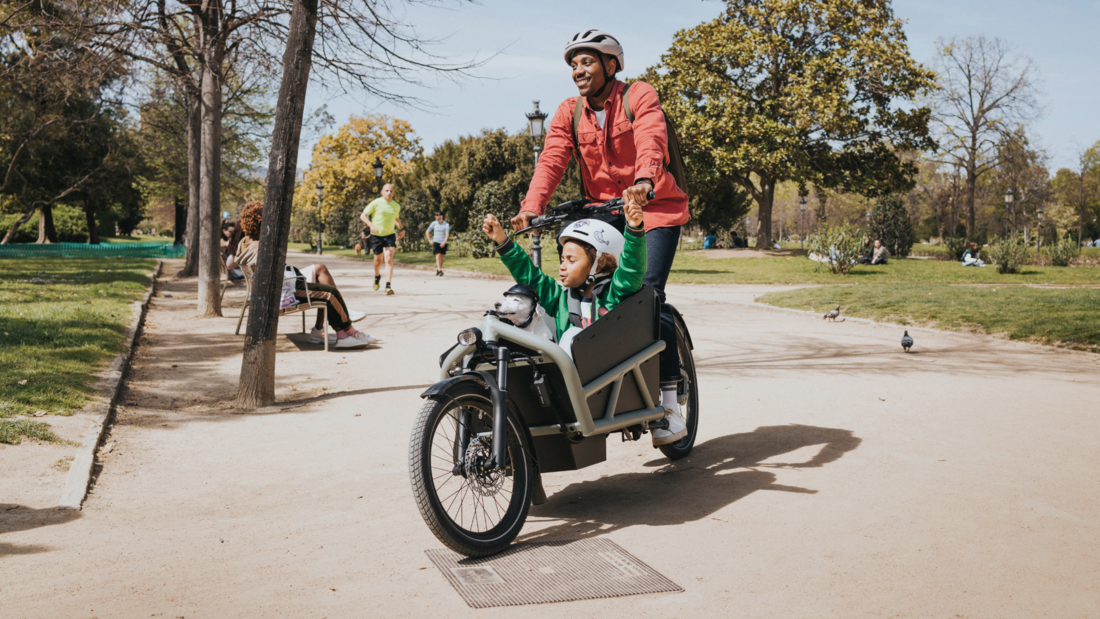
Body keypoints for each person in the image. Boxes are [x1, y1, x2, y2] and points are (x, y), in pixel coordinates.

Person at [509, 30, 689, 445]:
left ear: (610, 65)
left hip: (654, 206)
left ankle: (667, 404)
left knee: (646, 294)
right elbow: (552, 159)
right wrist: (531, 206)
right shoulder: (569, 112)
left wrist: (644, 180)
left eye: (586, 62)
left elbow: (651, 138)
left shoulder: (639, 95)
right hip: (603, 210)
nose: (578, 71)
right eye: (573, 64)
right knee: (578, 285)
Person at [485, 197, 686, 445]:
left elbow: (632, 270)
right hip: (570, 381)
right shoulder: (559, 298)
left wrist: (634, 229)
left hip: (605, 376)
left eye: (571, 260)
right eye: (562, 260)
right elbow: (531, 277)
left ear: (598, 263)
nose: (562, 267)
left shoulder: (616, 293)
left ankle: (669, 407)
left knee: (570, 336)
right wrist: (503, 242)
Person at [232, 201, 375, 349]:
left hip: (284, 283)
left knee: (323, 277)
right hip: (285, 290)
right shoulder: (260, 246)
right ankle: (348, 332)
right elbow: (270, 278)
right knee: (330, 292)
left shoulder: (246, 242)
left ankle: (342, 331)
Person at [360, 183, 405, 295]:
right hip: (376, 236)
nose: (389, 193)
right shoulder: (376, 203)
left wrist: (402, 229)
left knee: (389, 259)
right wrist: (371, 225)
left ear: (393, 193)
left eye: (391, 191)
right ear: (382, 192)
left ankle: (388, 286)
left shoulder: (396, 206)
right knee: (378, 262)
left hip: (389, 235)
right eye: (387, 190)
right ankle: (377, 276)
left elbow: (396, 218)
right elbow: (363, 216)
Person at [425, 211, 450, 276]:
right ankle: (439, 270)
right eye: (435, 215)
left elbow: (447, 235)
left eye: (437, 215)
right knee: (438, 255)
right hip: (436, 242)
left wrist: (444, 242)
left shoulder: (446, 224)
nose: (436, 216)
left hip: (443, 242)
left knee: (441, 257)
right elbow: (427, 232)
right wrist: (430, 240)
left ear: (441, 216)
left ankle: (438, 270)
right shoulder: (434, 223)